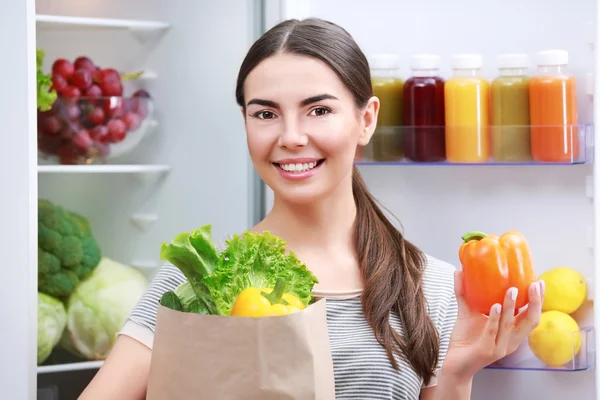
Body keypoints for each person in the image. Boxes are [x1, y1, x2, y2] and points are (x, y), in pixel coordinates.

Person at [79, 17, 544, 400]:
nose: (291, 137)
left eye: (318, 110)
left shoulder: (433, 288)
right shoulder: (197, 276)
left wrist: (459, 375)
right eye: (265, 113)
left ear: (366, 120)